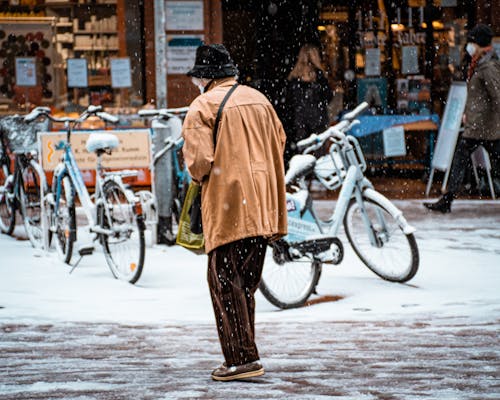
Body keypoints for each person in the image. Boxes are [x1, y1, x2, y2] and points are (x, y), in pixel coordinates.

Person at [182, 44, 287, 381]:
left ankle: (242, 359)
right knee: (245, 284)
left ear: (204, 78)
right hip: (263, 204)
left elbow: (199, 163)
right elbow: (280, 141)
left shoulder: (203, 105)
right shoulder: (260, 99)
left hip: (229, 203)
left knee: (224, 282)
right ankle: (244, 352)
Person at [424, 24, 500, 213]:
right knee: (461, 160)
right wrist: (469, 112)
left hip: (486, 127)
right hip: (479, 125)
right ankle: (447, 200)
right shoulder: (480, 63)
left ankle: (447, 200)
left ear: (480, 44)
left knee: (462, 159)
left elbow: (497, 95)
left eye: (472, 42)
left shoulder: (488, 67)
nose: (469, 46)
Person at [283, 43, 333, 166]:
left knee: (303, 150)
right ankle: (318, 176)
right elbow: (328, 96)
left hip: (300, 119)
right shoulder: (319, 76)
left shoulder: (294, 77)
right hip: (318, 118)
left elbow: (288, 100)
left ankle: (304, 176)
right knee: (319, 150)